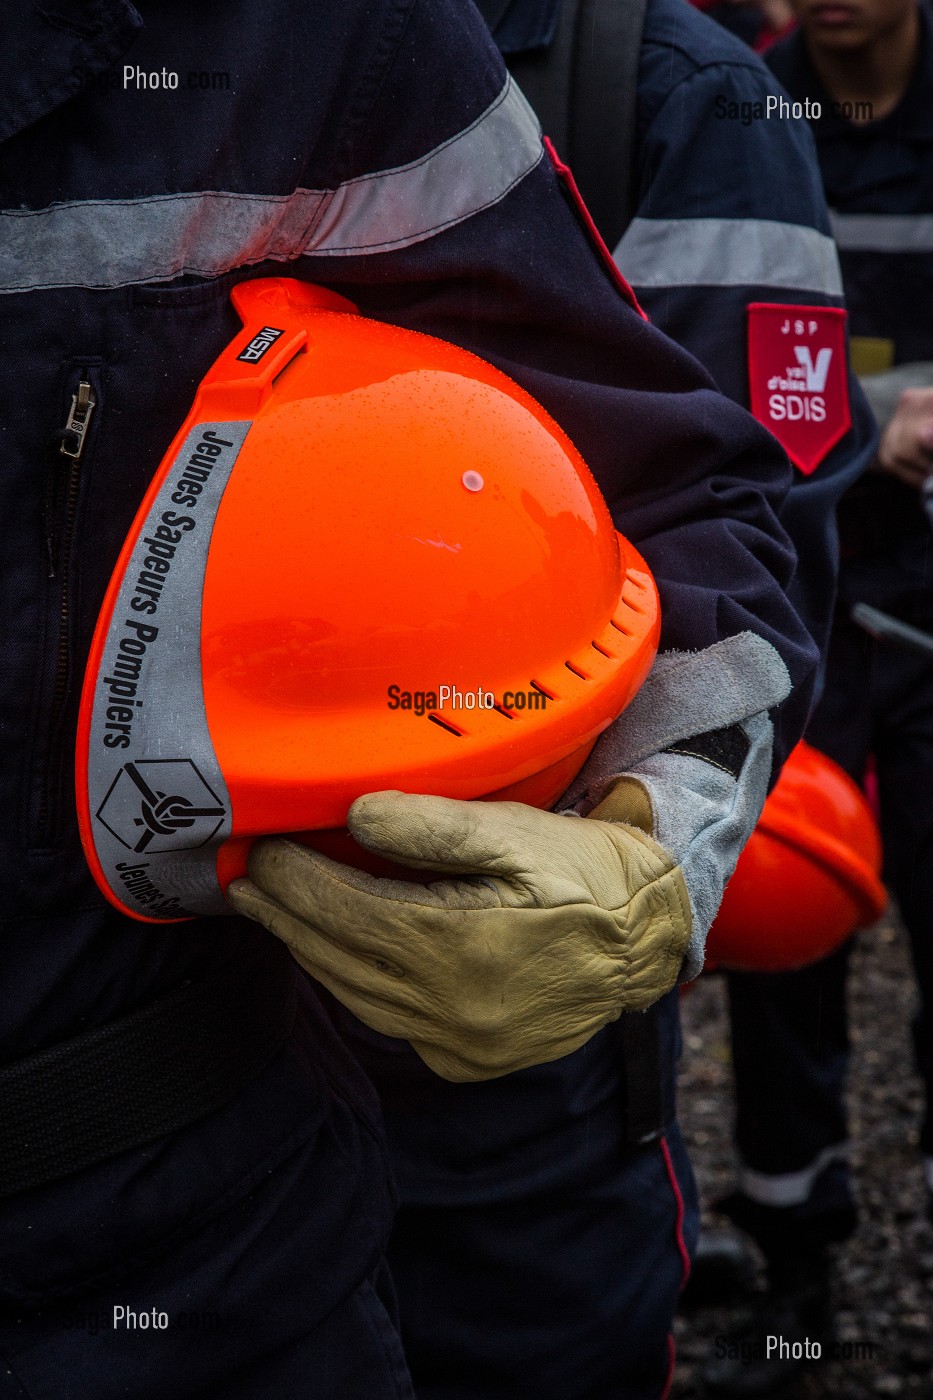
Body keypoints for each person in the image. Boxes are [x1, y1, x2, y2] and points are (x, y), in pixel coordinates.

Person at [2, 2, 824, 1397]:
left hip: (183, 1248)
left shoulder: (331, 44)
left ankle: (805, 1228)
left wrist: (647, 849)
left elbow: (701, 480)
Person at [224, 5, 875, 1400]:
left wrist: (642, 844)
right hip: (165, 1088)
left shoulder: (668, 89)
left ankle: (800, 1248)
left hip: (508, 1082)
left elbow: (753, 498)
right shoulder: (164, 63)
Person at [699, 0, 933, 1392]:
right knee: (779, 953)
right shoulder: (733, 110)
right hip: (795, 617)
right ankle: (795, 1299)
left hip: (926, 618)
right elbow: (705, 347)